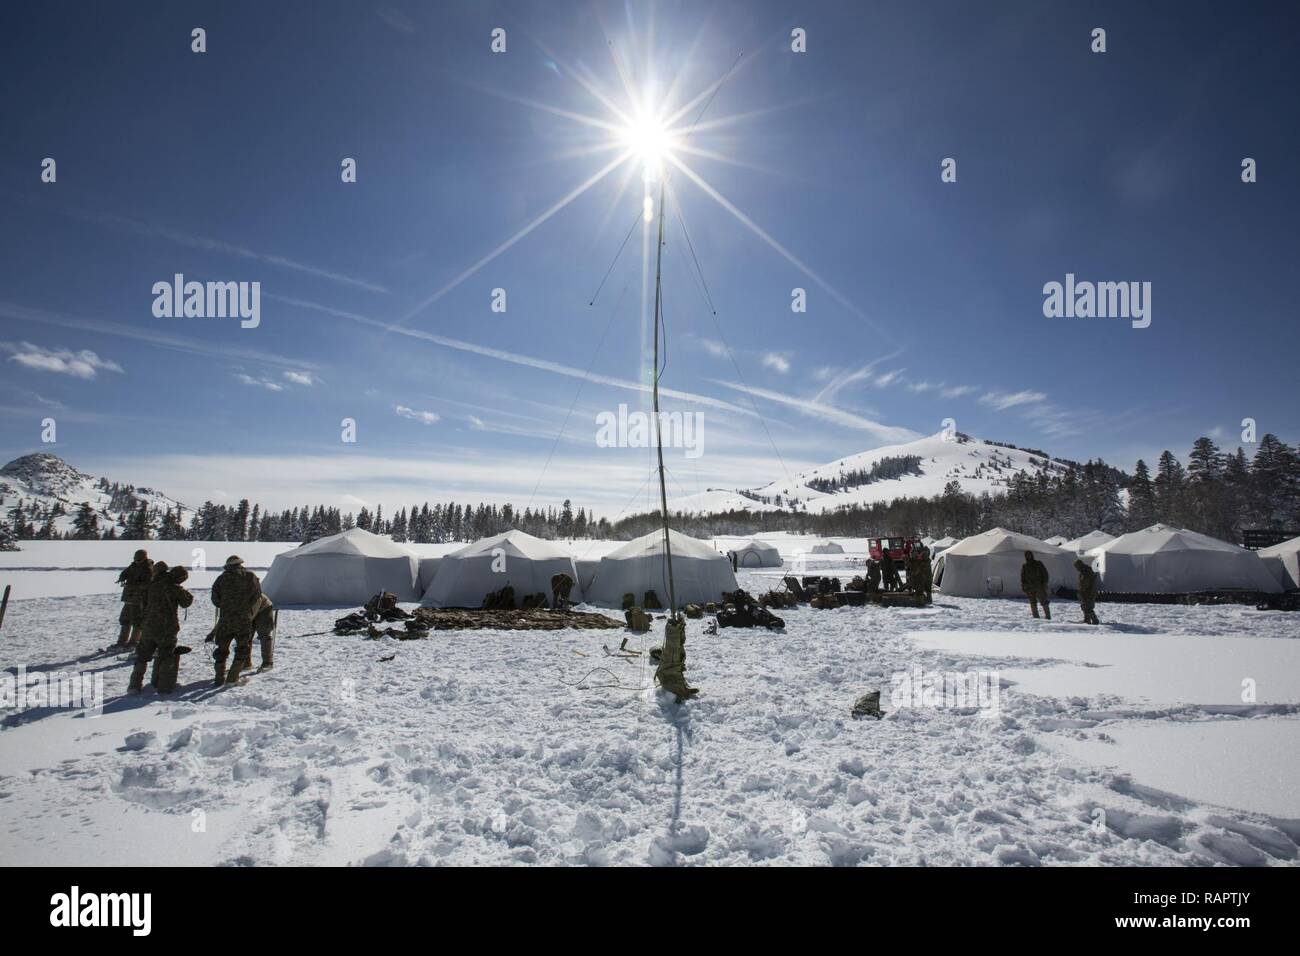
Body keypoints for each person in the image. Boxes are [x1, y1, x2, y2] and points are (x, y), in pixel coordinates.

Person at [128, 565, 193, 694]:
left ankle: (134, 686)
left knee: (142, 657)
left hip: (148, 626)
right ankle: (164, 686)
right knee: (166, 656)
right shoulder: (175, 588)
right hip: (167, 628)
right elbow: (186, 602)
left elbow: (143, 603)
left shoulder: (152, 585)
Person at [211, 555, 263, 686]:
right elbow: (257, 595)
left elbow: (215, 599)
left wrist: (225, 604)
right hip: (243, 619)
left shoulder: (221, 579)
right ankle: (232, 677)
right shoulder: (250, 577)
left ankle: (219, 677)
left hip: (225, 619)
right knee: (242, 649)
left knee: (221, 649)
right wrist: (246, 605)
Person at [115, 549, 153, 648]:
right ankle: (122, 641)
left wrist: (132, 585)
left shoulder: (148, 569)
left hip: (139, 600)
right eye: (135, 559)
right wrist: (122, 578)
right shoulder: (133, 566)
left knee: (137, 621)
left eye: (139, 559)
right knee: (125, 620)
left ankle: (133, 642)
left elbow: (147, 584)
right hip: (129, 598)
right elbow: (125, 573)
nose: (137, 561)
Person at [1020, 550, 1051, 620]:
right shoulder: (1025, 566)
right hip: (1030, 587)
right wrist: (1023, 586)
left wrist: (1044, 584)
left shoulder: (1038, 564)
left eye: (1029, 555)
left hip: (1039, 586)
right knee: (1033, 603)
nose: (1028, 556)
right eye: (1027, 555)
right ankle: (1036, 617)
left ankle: (1048, 616)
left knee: (1044, 601)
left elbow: (1045, 574)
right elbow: (1022, 577)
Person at [1074, 558, 1101, 625]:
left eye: (1076, 566)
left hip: (1087, 592)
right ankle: (1087, 620)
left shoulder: (1084, 571)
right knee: (1085, 606)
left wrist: (1081, 591)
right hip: (1089, 591)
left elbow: (1085, 583)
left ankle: (1095, 620)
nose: (1076, 568)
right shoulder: (1086, 570)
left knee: (1087, 607)